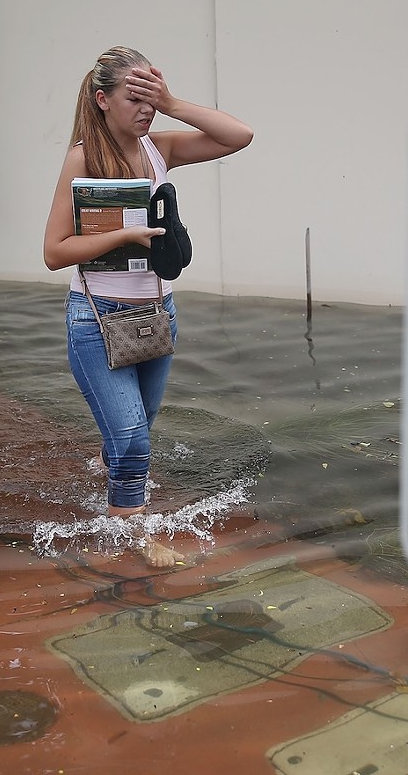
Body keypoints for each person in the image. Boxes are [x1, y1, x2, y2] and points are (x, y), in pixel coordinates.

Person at [43, 46, 252, 566]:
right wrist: (125, 235)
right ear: (102, 100)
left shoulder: (159, 148)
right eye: (135, 98)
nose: (146, 109)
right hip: (97, 319)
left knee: (136, 432)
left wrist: (174, 101)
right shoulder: (82, 159)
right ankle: (134, 539)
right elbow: (54, 251)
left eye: (151, 98)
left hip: (155, 315)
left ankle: (114, 477)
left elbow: (238, 136)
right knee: (134, 438)